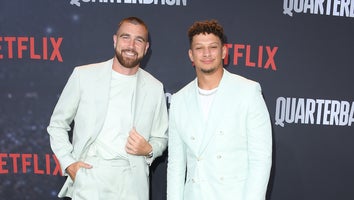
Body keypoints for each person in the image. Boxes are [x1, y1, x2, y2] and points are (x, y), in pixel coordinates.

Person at [47, 16, 168, 200]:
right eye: (125, 37)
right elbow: (57, 125)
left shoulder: (155, 87)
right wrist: (69, 164)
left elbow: (161, 136)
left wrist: (149, 149)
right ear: (115, 40)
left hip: (132, 182)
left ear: (146, 47)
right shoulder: (84, 75)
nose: (131, 45)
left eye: (139, 40)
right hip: (90, 174)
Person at [167, 20, 272, 200]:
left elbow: (260, 160)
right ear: (191, 55)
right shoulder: (179, 100)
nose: (206, 53)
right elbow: (176, 165)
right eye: (199, 48)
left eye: (213, 47)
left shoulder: (248, 92)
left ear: (223, 51)